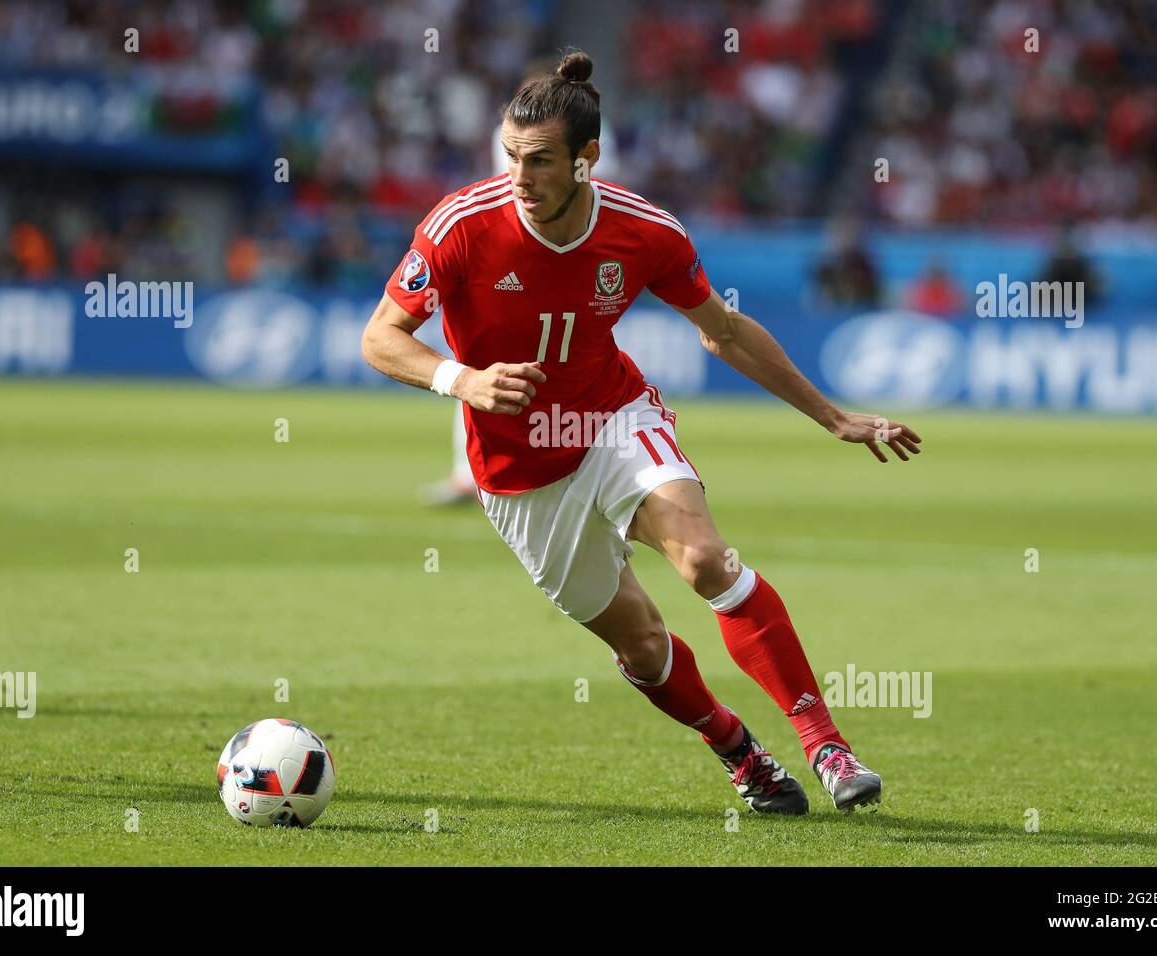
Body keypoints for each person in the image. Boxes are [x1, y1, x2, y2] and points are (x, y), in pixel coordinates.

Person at [361, 50, 922, 814]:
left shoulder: (644, 232)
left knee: (706, 559)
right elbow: (381, 338)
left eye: (541, 161)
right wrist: (464, 380)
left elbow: (721, 331)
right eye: (511, 157)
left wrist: (833, 416)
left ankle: (826, 744)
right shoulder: (460, 225)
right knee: (646, 646)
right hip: (520, 477)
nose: (521, 177)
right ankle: (739, 751)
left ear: (587, 158)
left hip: (612, 419)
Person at [421, 58, 620, 506]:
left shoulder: (593, 144)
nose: (522, 169)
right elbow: (512, 194)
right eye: (515, 154)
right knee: (477, 369)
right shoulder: (490, 177)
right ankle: (467, 472)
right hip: (511, 259)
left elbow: (598, 189)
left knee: (573, 363)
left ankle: (590, 460)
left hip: (577, 255)